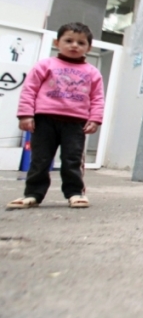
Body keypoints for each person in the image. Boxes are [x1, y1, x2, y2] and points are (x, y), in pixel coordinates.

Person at [7, 23, 104, 210]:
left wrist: (95, 119)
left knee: (72, 159)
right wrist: (26, 115)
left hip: (75, 123)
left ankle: (75, 193)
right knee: (40, 159)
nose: (74, 45)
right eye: (68, 41)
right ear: (57, 42)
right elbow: (29, 90)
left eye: (81, 43)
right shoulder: (45, 65)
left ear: (88, 48)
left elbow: (98, 98)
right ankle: (33, 194)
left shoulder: (93, 73)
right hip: (44, 121)